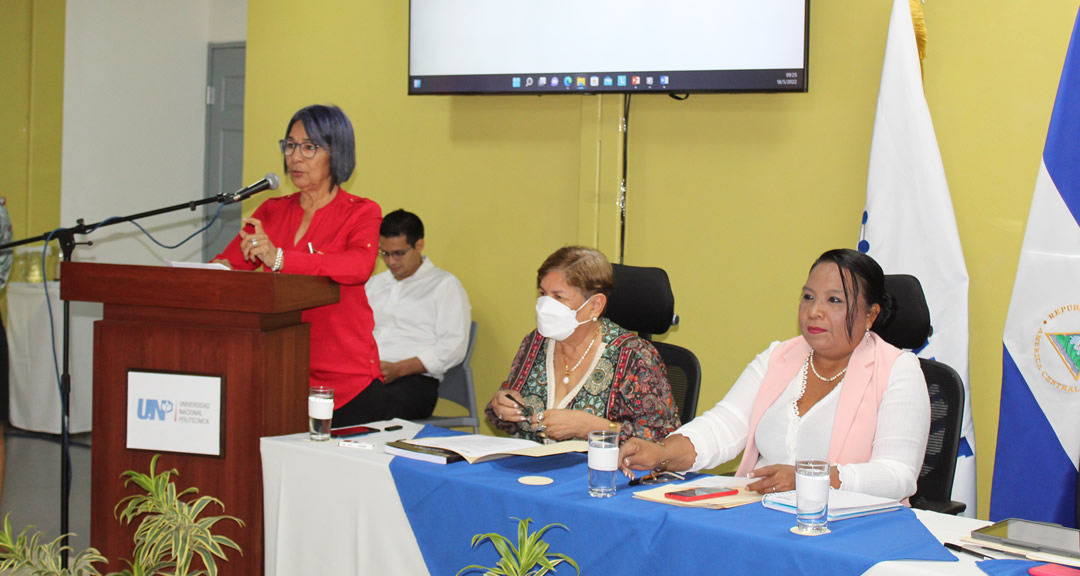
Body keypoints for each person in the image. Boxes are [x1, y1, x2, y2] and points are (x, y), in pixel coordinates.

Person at [618, 249, 930, 502]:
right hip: (762, 517)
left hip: (848, 530)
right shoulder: (779, 357)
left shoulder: (898, 371)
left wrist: (812, 477)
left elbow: (897, 475)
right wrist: (662, 453)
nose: (814, 311)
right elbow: (724, 426)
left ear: (871, 315)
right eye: (808, 297)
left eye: (834, 300)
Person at [213, 104, 384, 427]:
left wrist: (280, 258)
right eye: (290, 145)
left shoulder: (360, 212)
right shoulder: (271, 211)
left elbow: (357, 267)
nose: (295, 157)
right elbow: (231, 268)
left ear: (337, 152)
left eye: (309, 147)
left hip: (345, 382)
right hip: (278, 371)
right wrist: (214, 272)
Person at [486, 246, 680, 443]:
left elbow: (664, 438)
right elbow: (508, 406)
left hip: (600, 471)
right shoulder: (535, 342)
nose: (545, 305)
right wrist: (501, 407)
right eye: (543, 293)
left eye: (558, 297)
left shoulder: (634, 356)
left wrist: (591, 428)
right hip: (531, 469)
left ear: (595, 305)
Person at [365, 209, 471, 419]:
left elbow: (453, 347)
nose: (391, 262)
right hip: (368, 375)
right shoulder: (374, 284)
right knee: (320, 399)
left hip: (413, 381)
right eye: (384, 253)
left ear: (419, 246)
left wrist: (399, 369)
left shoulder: (444, 285)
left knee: (370, 408)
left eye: (399, 253)